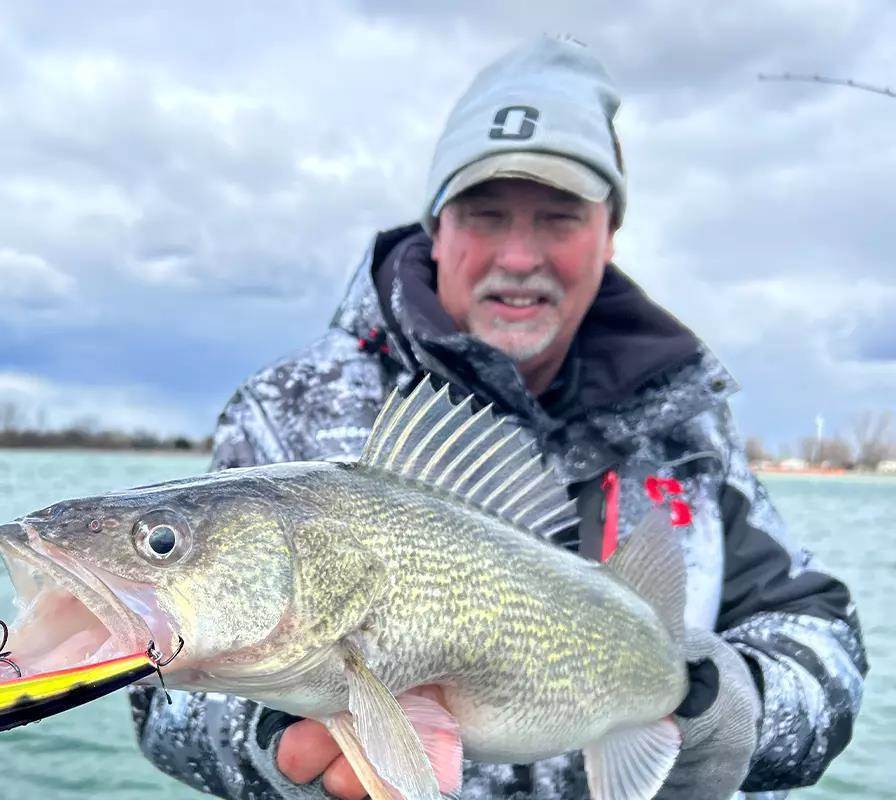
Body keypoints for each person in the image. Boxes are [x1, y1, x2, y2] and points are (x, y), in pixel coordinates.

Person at [129, 37, 867, 800]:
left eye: (558, 217)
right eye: (485, 215)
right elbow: (160, 702)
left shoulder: (689, 428)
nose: (519, 256)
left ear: (609, 233)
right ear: (436, 227)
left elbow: (824, 640)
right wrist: (273, 742)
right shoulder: (288, 414)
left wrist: (718, 701)